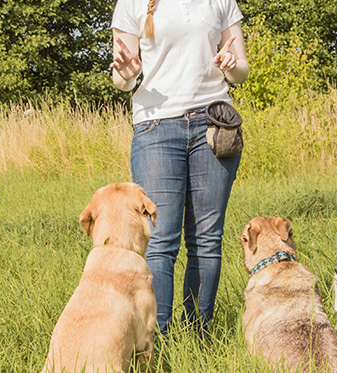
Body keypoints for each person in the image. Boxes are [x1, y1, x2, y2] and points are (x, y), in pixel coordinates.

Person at [109, 0, 249, 336]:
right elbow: (121, 76)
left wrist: (231, 65)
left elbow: (241, 71)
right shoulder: (132, 3)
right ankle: (157, 340)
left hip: (214, 124)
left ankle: (198, 336)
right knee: (160, 240)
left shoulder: (221, 1)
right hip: (156, 128)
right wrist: (127, 75)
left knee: (206, 240)